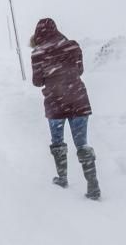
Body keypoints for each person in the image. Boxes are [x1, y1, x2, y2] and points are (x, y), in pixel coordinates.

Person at [29, 18, 101, 200]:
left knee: (58, 141)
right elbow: (79, 70)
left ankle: (62, 178)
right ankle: (93, 186)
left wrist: (51, 74)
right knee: (82, 143)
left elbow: (37, 82)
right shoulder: (72, 46)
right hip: (78, 98)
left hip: (55, 102)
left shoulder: (38, 53)